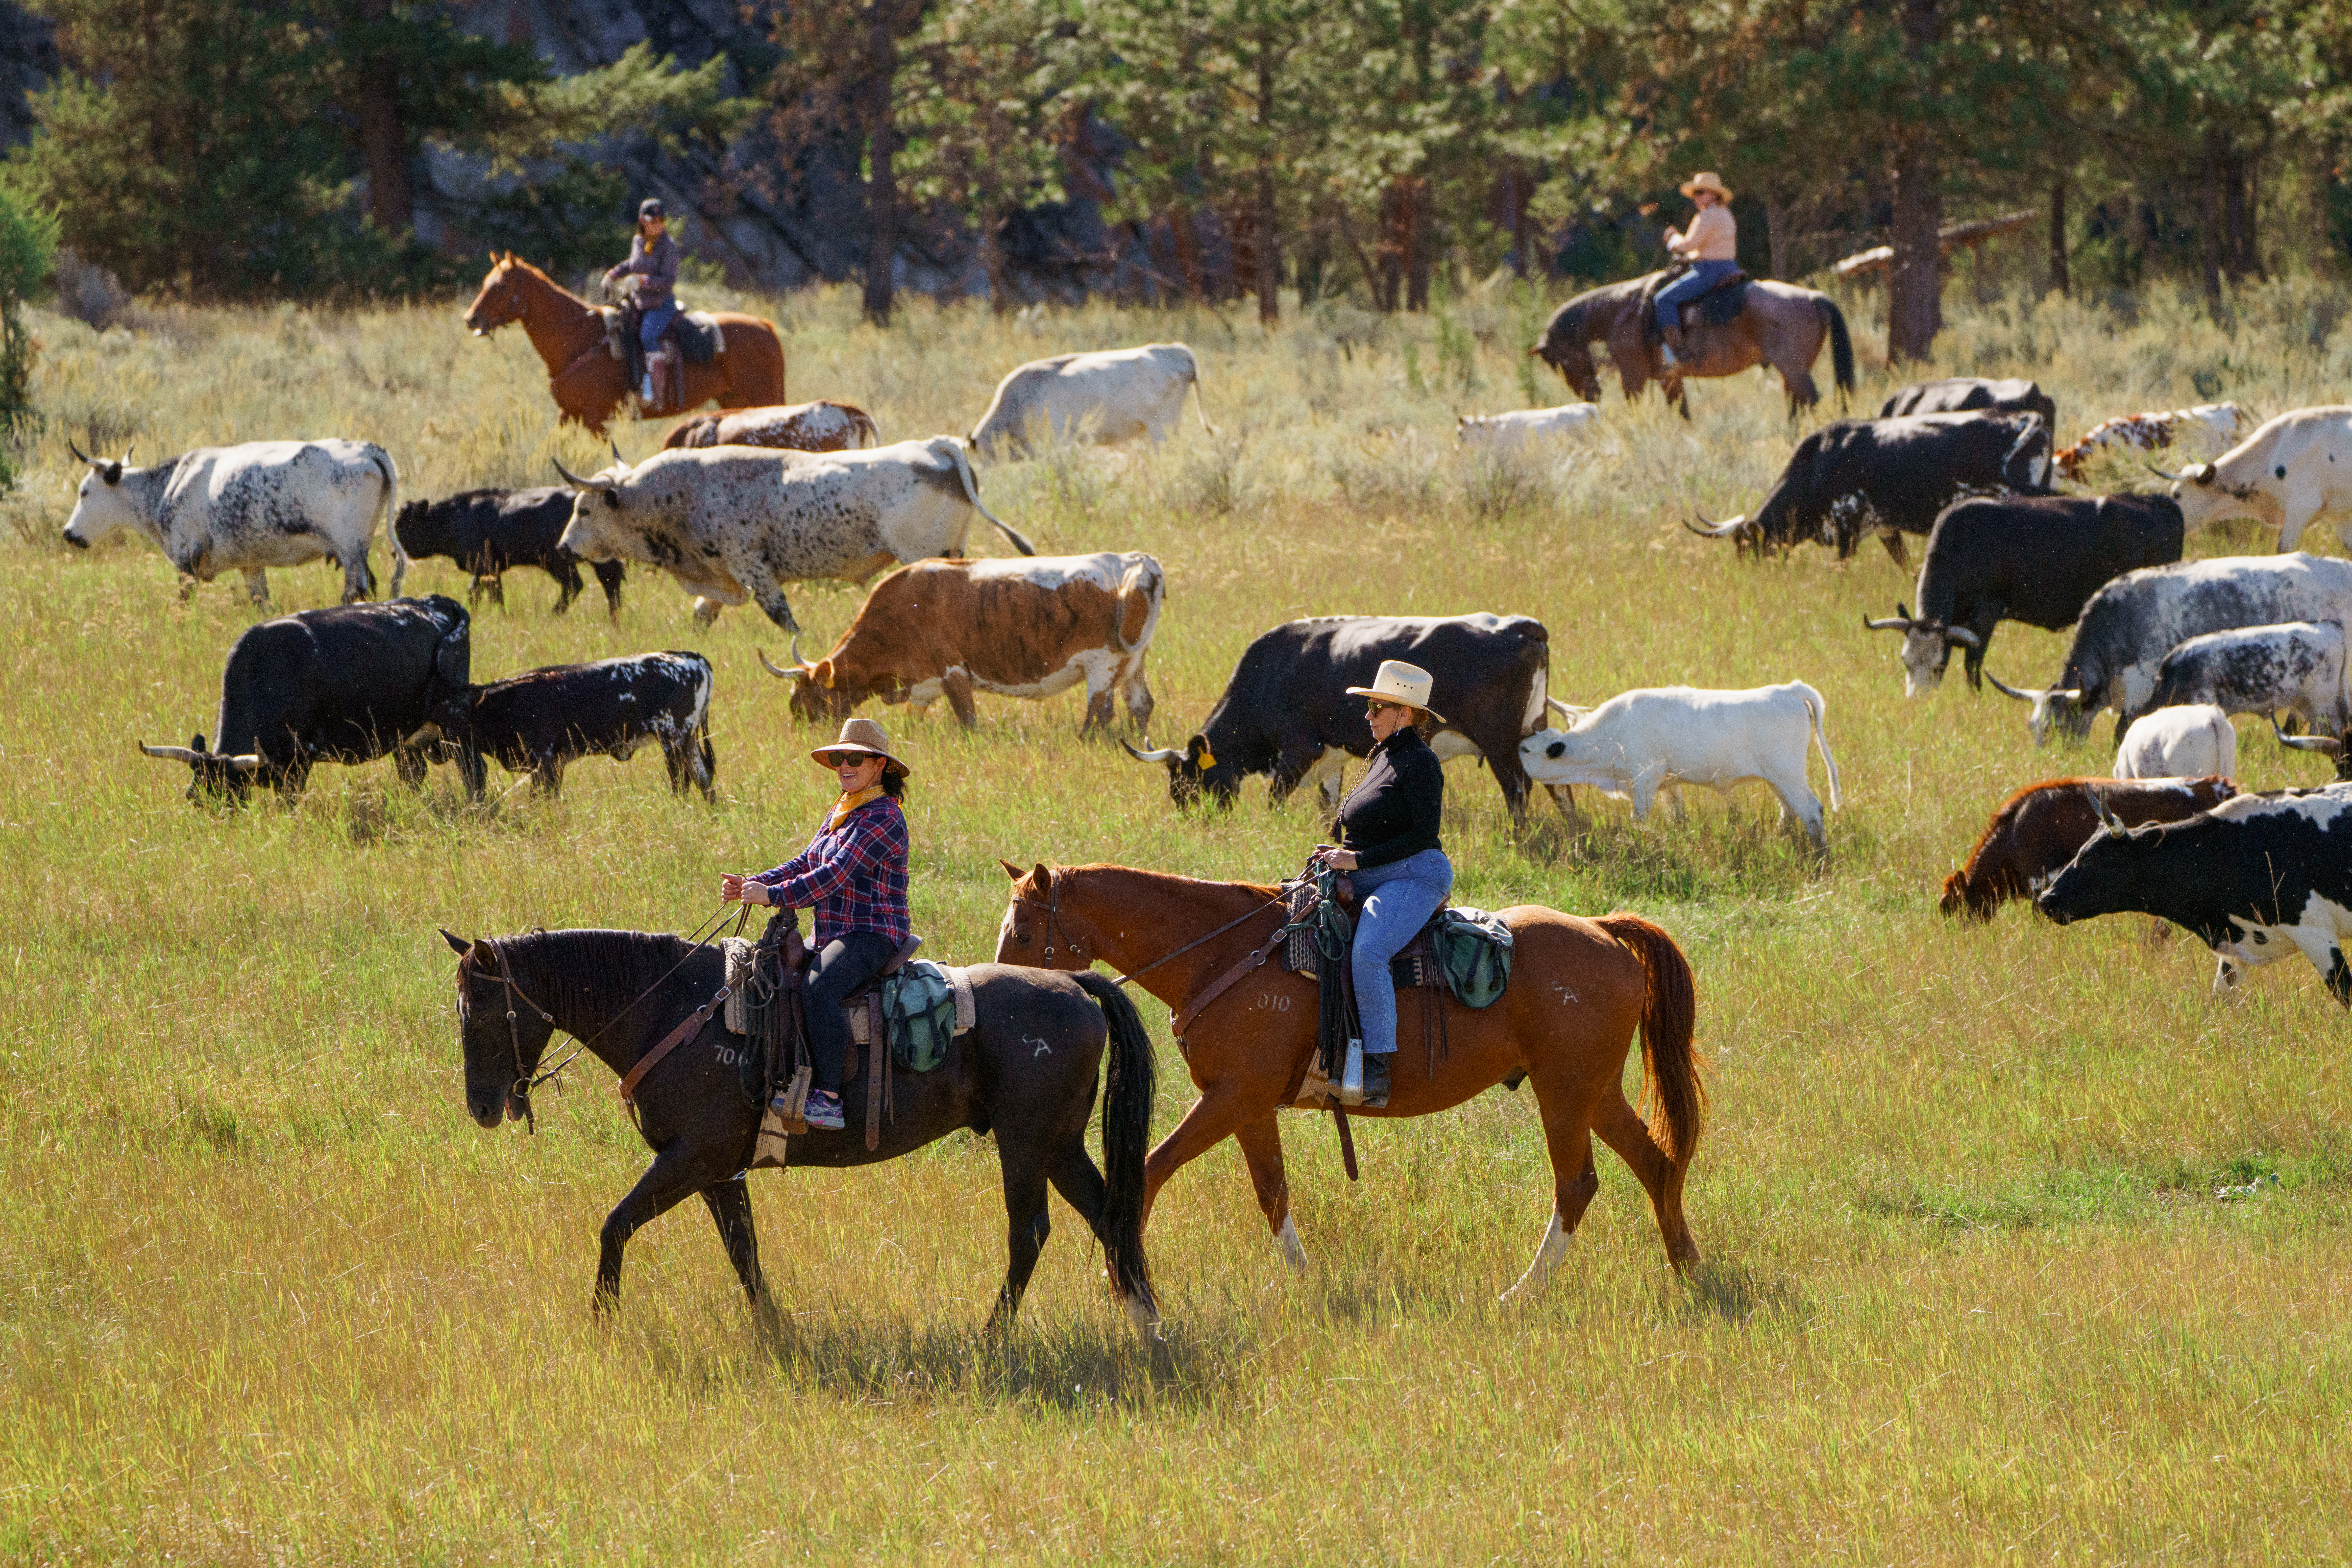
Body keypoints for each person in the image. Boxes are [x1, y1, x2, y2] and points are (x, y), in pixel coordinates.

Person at [719, 718, 912, 1132]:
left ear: (879, 765)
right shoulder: (844, 808)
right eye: (839, 757)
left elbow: (834, 876)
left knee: (819, 987)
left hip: (872, 932)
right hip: (832, 932)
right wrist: (755, 882)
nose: (844, 764)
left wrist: (770, 897)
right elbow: (806, 862)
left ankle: (828, 1098)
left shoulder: (884, 817)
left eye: (854, 758)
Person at [1324, 660, 1453, 1109]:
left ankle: (1375, 1071)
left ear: (1403, 714)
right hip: (1370, 871)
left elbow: (1421, 836)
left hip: (1416, 871)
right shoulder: (1382, 755)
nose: (1367, 716)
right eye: (1369, 707)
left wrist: (1355, 860)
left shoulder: (1419, 761)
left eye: (1376, 708)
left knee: (1369, 951)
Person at [1653, 171, 1739, 368]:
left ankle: (1677, 355)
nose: (1696, 198)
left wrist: (1673, 239)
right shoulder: (1724, 214)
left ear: (1713, 194)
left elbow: (1688, 246)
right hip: (1728, 267)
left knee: (1663, 300)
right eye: (1695, 194)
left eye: (1700, 193)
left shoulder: (1707, 216)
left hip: (1709, 270)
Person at [603, 198, 680, 405]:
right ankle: (632, 386)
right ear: (642, 220)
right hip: (639, 304)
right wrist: (613, 274)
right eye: (652, 219)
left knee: (647, 336)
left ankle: (657, 392)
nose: (657, 223)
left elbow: (669, 280)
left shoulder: (668, 247)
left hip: (661, 305)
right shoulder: (638, 241)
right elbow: (633, 263)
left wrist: (642, 282)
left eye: (661, 219)